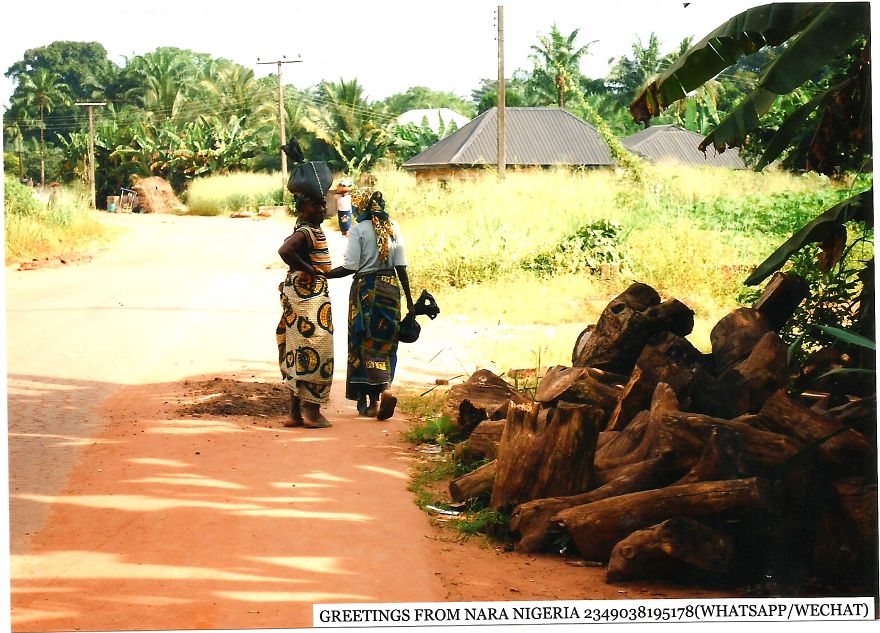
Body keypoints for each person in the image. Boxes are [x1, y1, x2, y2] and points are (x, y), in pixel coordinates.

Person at [325, 186, 414, 420]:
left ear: (359, 206)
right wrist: (411, 301)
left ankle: (371, 401)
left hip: (366, 292)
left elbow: (350, 267)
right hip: (391, 290)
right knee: (386, 342)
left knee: (362, 342)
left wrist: (322, 274)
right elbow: (401, 267)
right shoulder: (393, 226)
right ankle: (384, 390)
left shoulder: (358, 229)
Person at [276, 169, 335, 429]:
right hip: (308, 299)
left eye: (323, 204)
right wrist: (309, 269)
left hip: (303, 297)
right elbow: (285, 249)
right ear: (304, 208)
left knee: (296, 351)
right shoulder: (306, 231)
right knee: (317, 350)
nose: (322, 209)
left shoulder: (307, 228)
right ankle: (312, 413)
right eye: (317, 205)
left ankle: (294, 414)